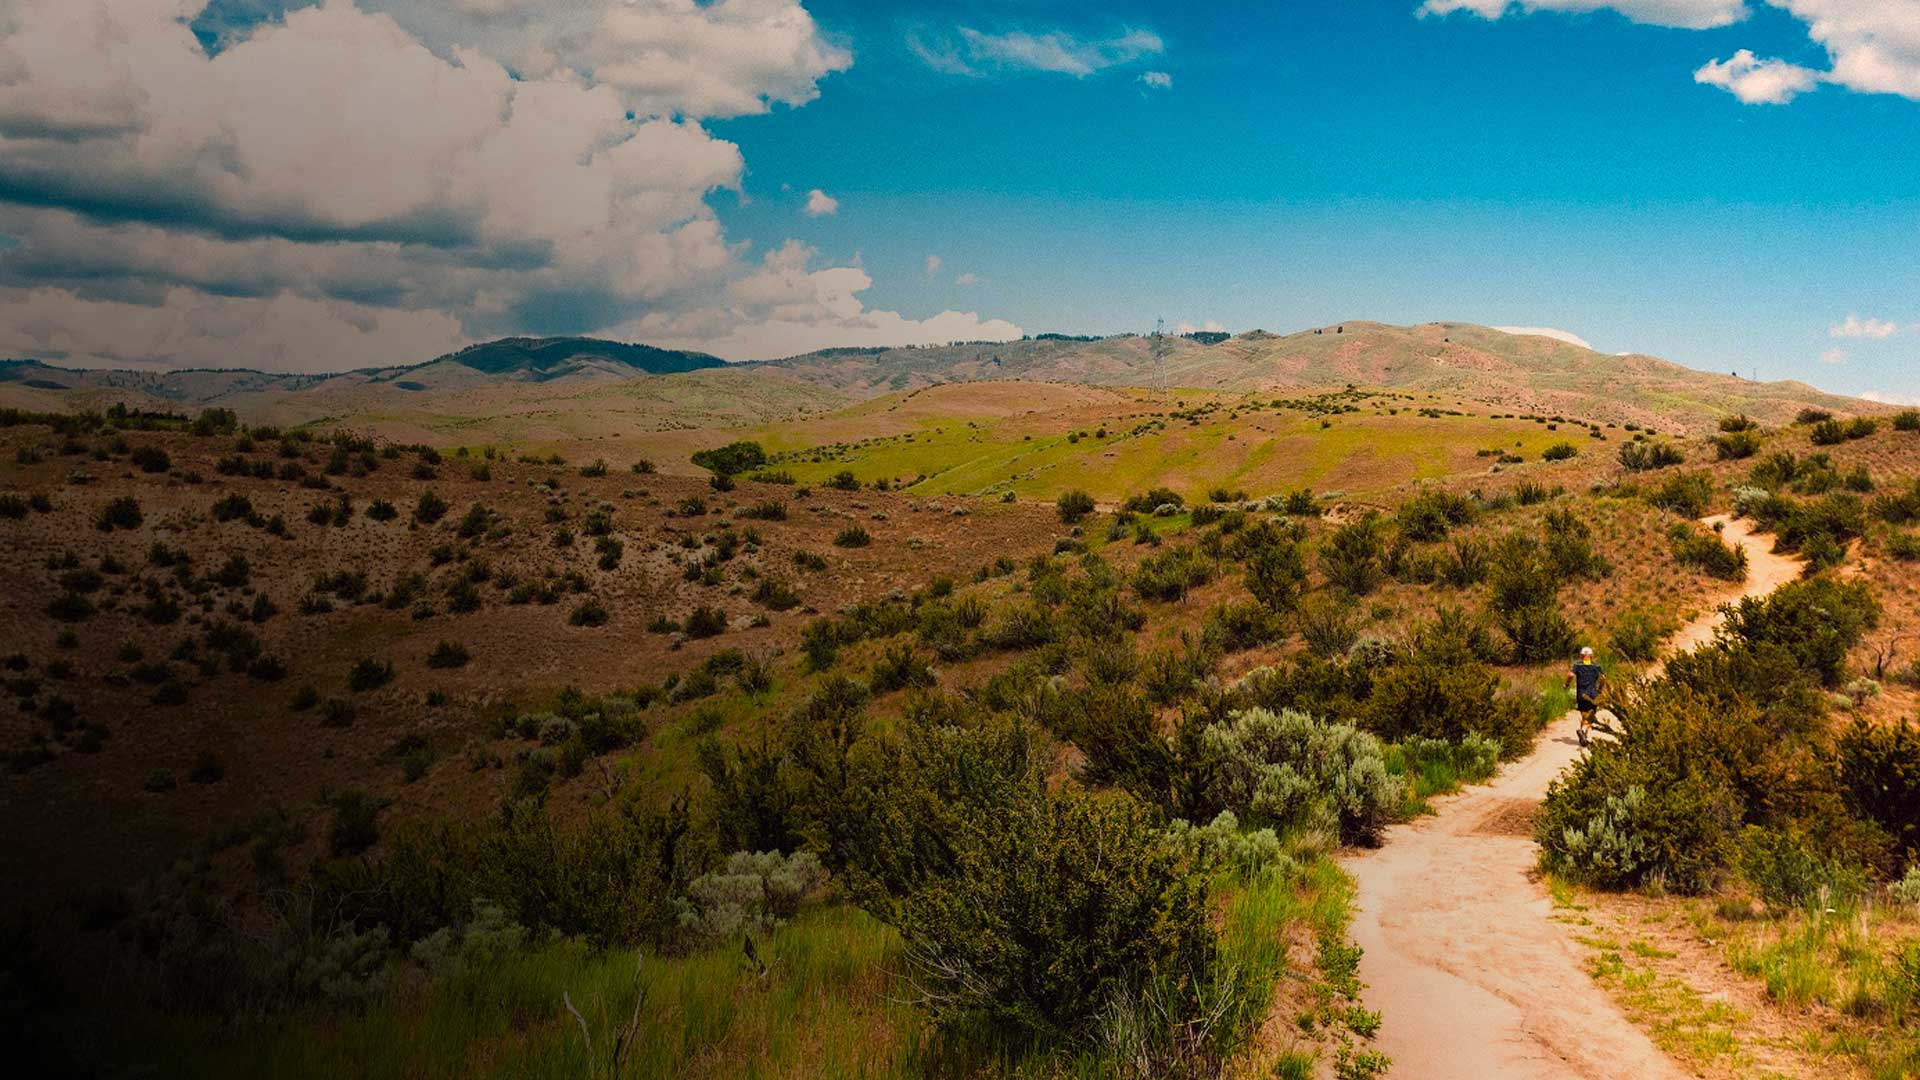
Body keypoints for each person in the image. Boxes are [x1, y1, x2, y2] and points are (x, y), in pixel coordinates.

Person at [1566, 646, 1606, 747]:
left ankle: (1583, 739)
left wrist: (1566, 684)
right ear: (1592, 656)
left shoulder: (1577, 665)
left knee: (1584, 715)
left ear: (1581, 656)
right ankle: (1582, 731)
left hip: (1581, 694)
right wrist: (1601, 688)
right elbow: (1603, 678)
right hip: (1593, 694)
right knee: (1590, 716)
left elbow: (1570, 675)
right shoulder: (1597, 666)